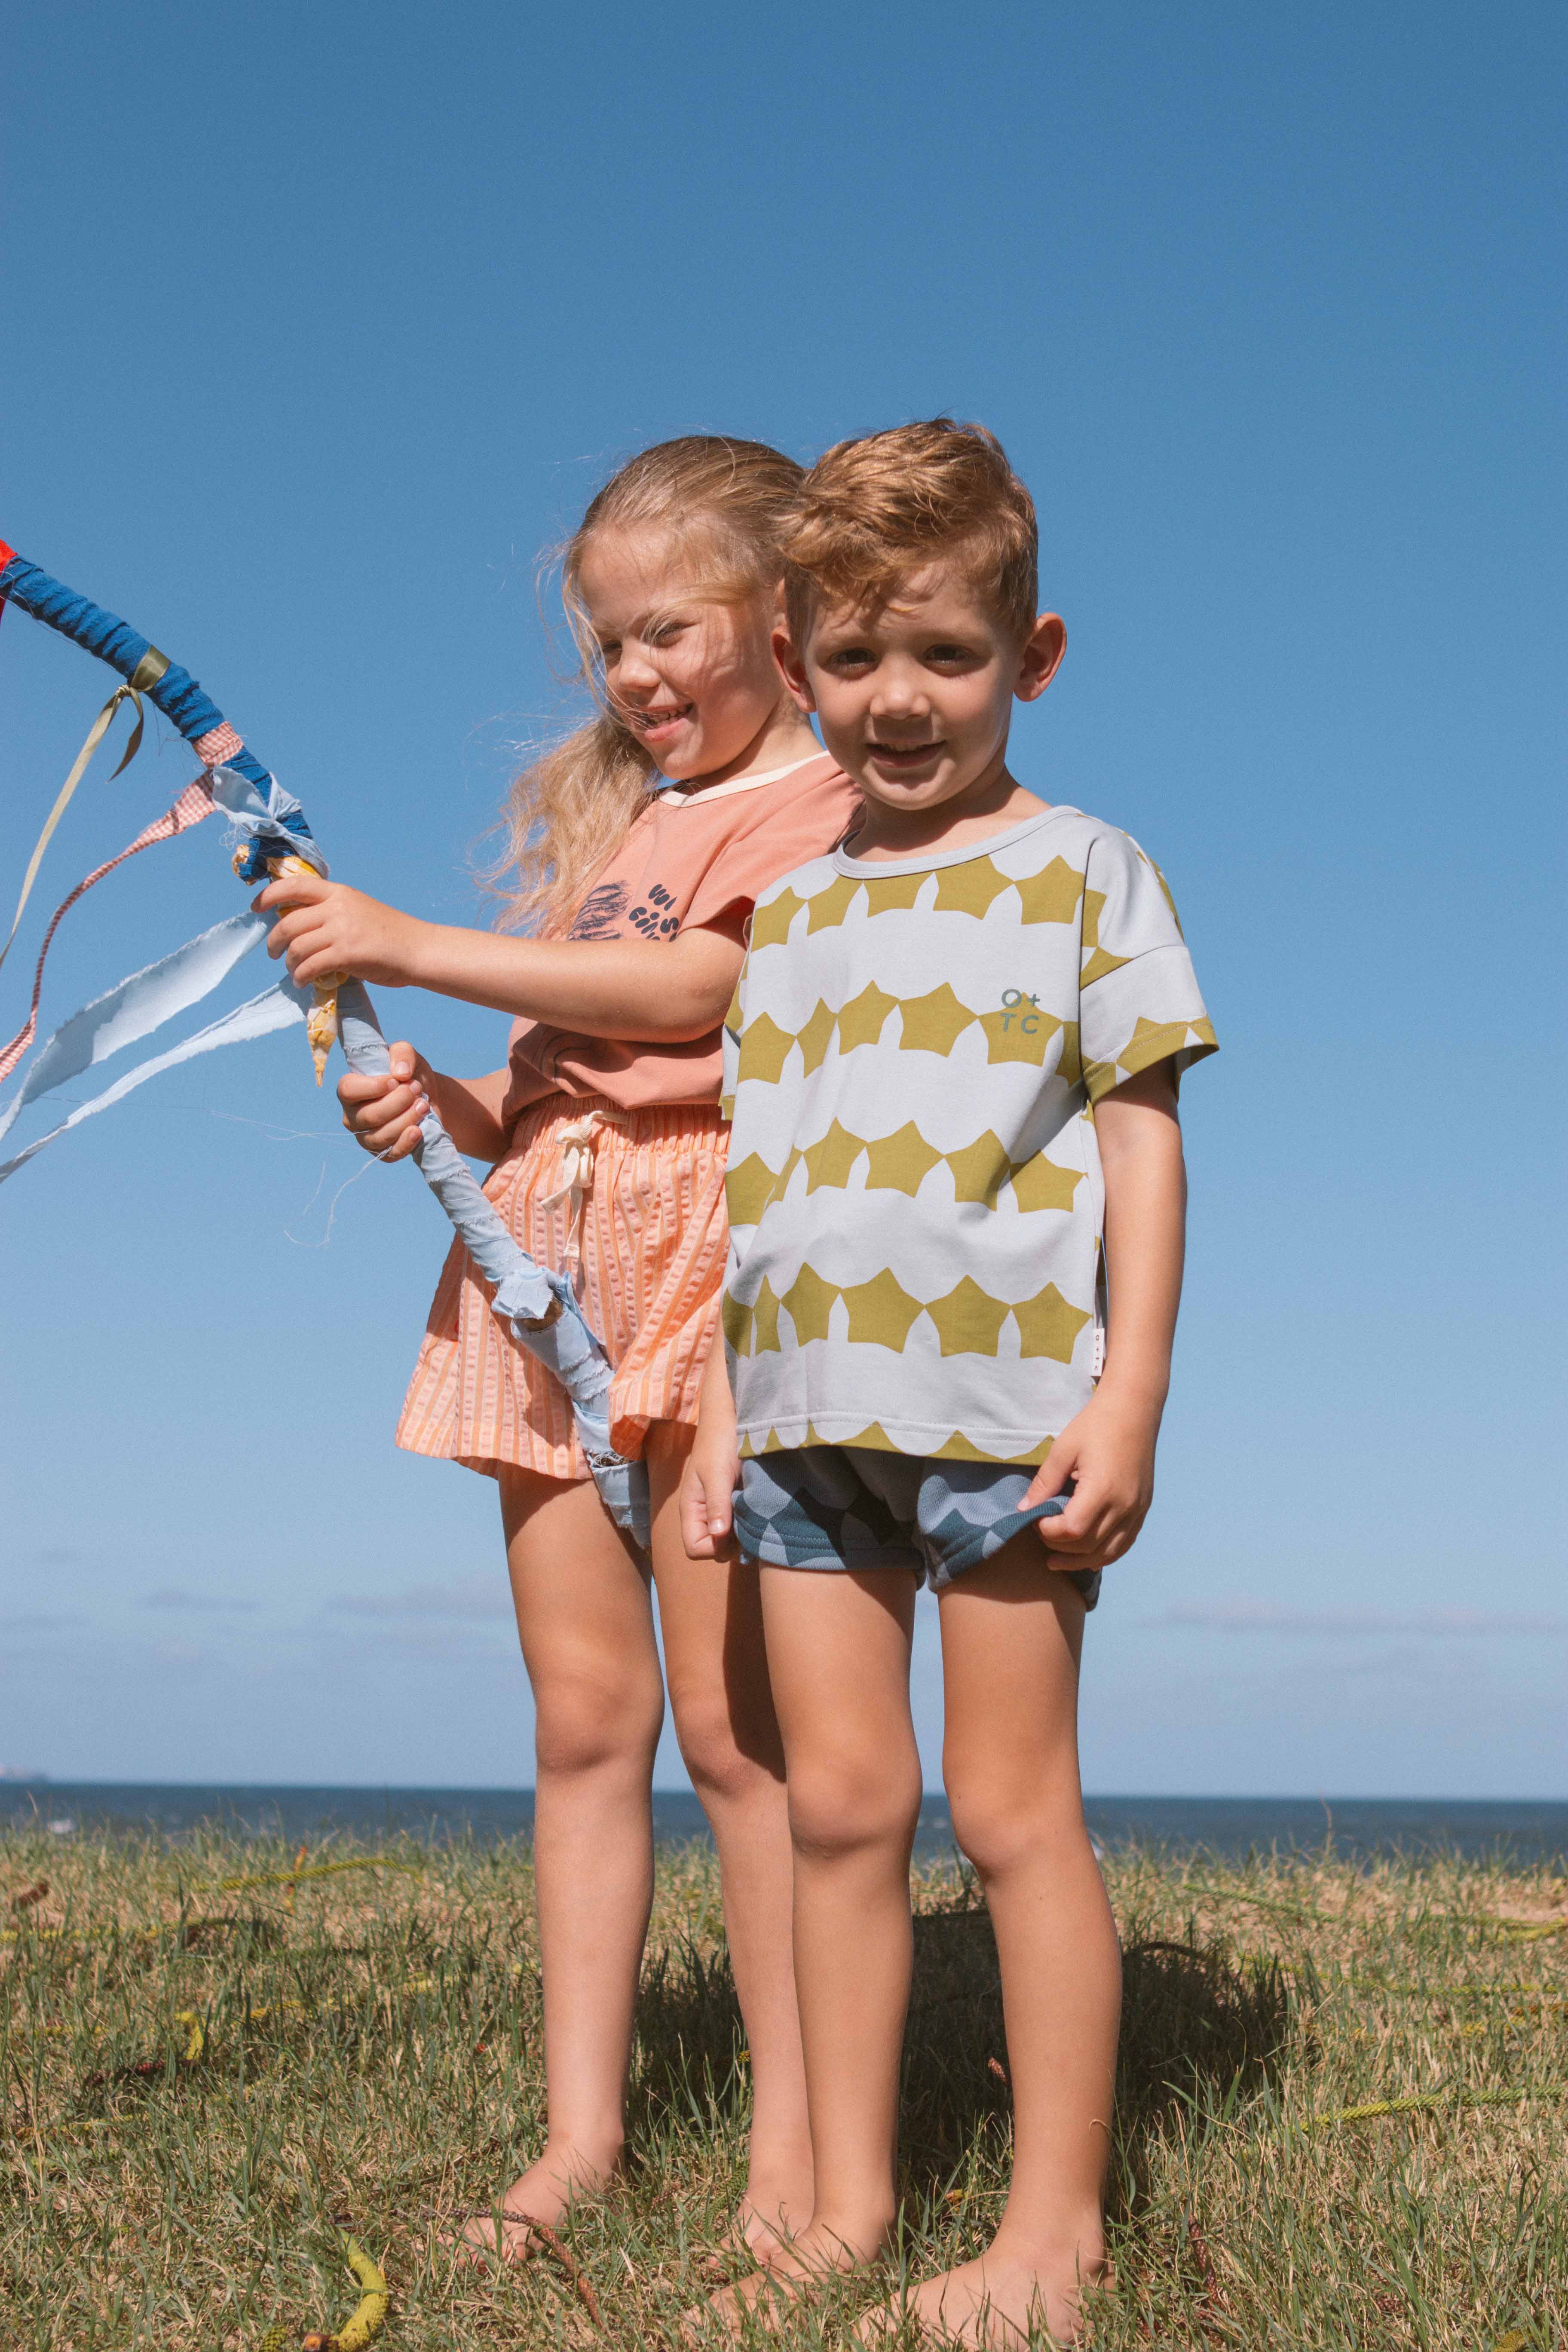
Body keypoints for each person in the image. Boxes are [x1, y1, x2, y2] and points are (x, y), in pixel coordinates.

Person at [257, 437, 861, 2263]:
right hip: (550, 1261)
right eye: (608, 645)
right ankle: (582, 2139)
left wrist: (424, 948)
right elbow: (554, 1077)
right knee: (587, 1725)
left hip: (712, 1265)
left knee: (736, 1737)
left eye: (667, 630)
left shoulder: (819, 801)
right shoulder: (616, 839)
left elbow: (709, 995)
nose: (637, 677)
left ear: (784, 614)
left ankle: (788, 2158)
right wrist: (439, 1099)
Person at [681, 419, 1217, 2345]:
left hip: (1007, 1417)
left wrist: (1130, 1393)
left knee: (1010, 1812)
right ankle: (840, 2209)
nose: (898, 702)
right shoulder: (797, 903)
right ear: (797, 661)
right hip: (802, 1421)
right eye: (852, 661)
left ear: (1034, 654)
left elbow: (1142, 1144)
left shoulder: (1087, 871)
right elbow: (768, 1174)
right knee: (839, 1807)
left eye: (948, 657)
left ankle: (1053, 2240)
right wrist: (728, 1409)